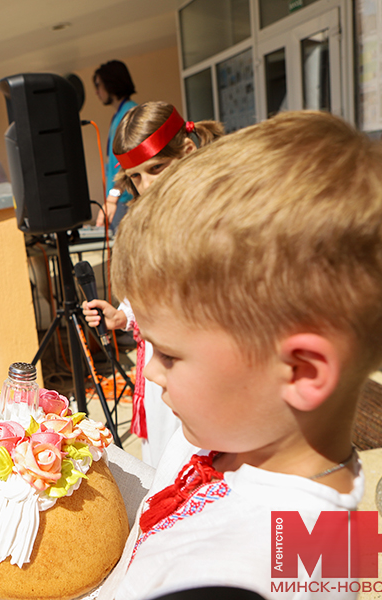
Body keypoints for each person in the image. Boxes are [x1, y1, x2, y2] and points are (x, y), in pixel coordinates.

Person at [101, 110, 382, 599]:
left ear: (300, 371)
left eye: (169, 355)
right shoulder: (236, 433)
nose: (150, 370)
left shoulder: (252, 575)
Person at [83, 102, 224, 468]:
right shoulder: (144, 224)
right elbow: (146, 294)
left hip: (205, 375)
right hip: (160, 374)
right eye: (135, 177)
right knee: (165, 469)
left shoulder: (220, 215)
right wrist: (122, 317)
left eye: (155, 169)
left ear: (187, 152)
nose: (145, 186)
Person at [92, 60, 137, 233]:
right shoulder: (118, 115)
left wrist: (112, 198)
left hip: (125, 201)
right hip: (119, 200)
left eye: (98, 85)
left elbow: (129, 162)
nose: (96, 91)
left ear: (111, 83)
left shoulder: (130, 113)